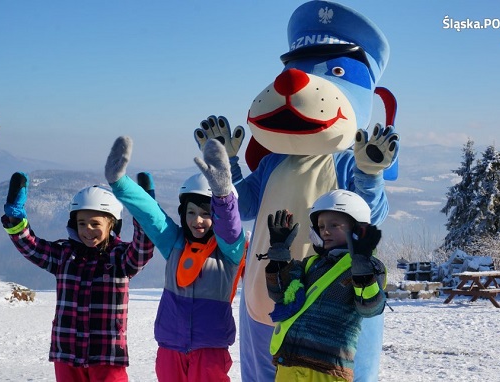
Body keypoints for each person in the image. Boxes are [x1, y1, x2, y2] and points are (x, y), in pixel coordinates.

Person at [104, 136, 246, 381]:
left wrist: (222, 196)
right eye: (191, 212)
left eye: (206, 213)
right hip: (170, 348)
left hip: (210, 350)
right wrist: (120, 183)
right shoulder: (176, 244)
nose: (197, 220)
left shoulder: (228, 252)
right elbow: (152, 216)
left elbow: (231, 230)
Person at [1, 172, 155, 382]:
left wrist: (146, 209)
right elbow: (31, 246)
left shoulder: (120, 258)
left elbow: (144, 247)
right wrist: (15, 219)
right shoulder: (65, 255)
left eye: (95, 224)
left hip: (106, 355)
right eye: (82, 223)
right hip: (67, 354)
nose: (87, 230)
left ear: (112, 224)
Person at [260, 190, 387, 382]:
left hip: (328, 369)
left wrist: (362, 271)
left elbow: (370, 308)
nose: (325, 231)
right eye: (321, 226)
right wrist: (279, 256)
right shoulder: (310, 264)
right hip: (290, 362)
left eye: (334, 225)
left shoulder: (371, 267)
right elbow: (281, 295)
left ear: (357, 229)